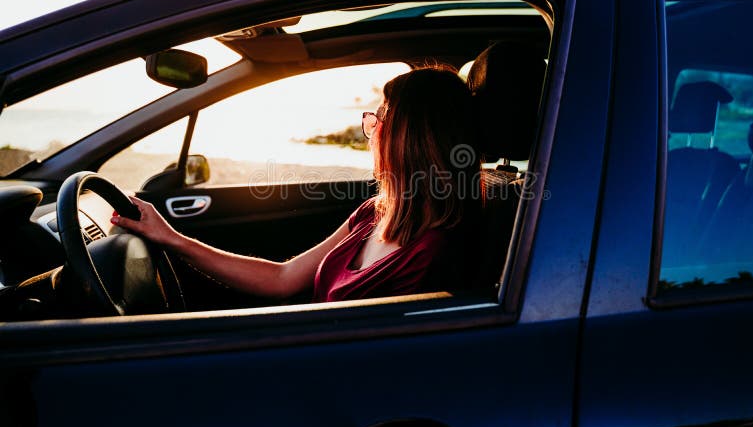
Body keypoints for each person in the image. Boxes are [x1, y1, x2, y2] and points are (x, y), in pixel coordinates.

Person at [111, 67, 482, 303]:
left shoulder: (430, 254)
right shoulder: (373, 213)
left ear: (409, 138)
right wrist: (172, 238)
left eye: (382, 114)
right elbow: (282, 278)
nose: (371, 127)